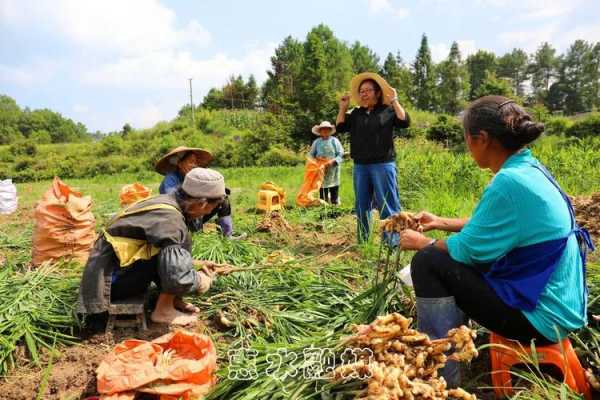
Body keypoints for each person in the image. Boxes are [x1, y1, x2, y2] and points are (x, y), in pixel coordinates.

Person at [399, 95, 593, 386]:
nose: (467, 147)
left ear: (482, 139)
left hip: (540, 320)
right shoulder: (530, 169)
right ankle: (455, 346)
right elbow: (494, 226)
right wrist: (441, 222)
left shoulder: (508, 182)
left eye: (467, 139)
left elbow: (466, 251)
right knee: (446, 260)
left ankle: (440, 376)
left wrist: (421, 242)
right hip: (561, 307)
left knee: (429, 261)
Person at [78, 168, 232, 326]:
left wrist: (196, 263)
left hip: (111, 270)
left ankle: (172, 301)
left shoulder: (168, 201)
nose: (208, 213)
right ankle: (163, 310)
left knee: (176, 252)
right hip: (108, 284)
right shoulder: (171, 220)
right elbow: (177, 277)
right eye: (211, 208)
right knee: (177, 256)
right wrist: (202, 280)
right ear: (202, 203)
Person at [336, 72, 411, 243]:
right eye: (361, 91)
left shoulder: (388, 111)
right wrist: (342, 108)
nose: (363, 93)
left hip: (383, 165)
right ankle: (363, 241)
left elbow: (404, 121)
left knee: (388, 204)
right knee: (362, 205)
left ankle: (392, 243)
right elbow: (340, 127)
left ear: (377, 93)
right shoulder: (356, 113)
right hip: (360, 166)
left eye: (368, 90)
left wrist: (395, 100)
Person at [156, 146, 244, 240]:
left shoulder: (194, 177)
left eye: (196, 162)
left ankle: (227, 234)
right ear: (180, 163)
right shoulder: (170, 180)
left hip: (197, 213)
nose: (194, 165)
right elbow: (177, 205)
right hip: (180, 219)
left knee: (222, 198)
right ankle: (193, 235)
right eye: (191, 161)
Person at [308, 121, 344, 205]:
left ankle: (335, 208)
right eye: (323, 130)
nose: (325, 131)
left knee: (334, 191)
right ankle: (324, 211)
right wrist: (315, 163)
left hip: (333, 170)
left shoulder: (334, 141)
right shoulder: (317, 142)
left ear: (330, 131)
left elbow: (340, 153)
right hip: (321, 170)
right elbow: (311, 155)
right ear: (319, 131)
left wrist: (333, 161)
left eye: (327, 129)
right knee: (323, 194)